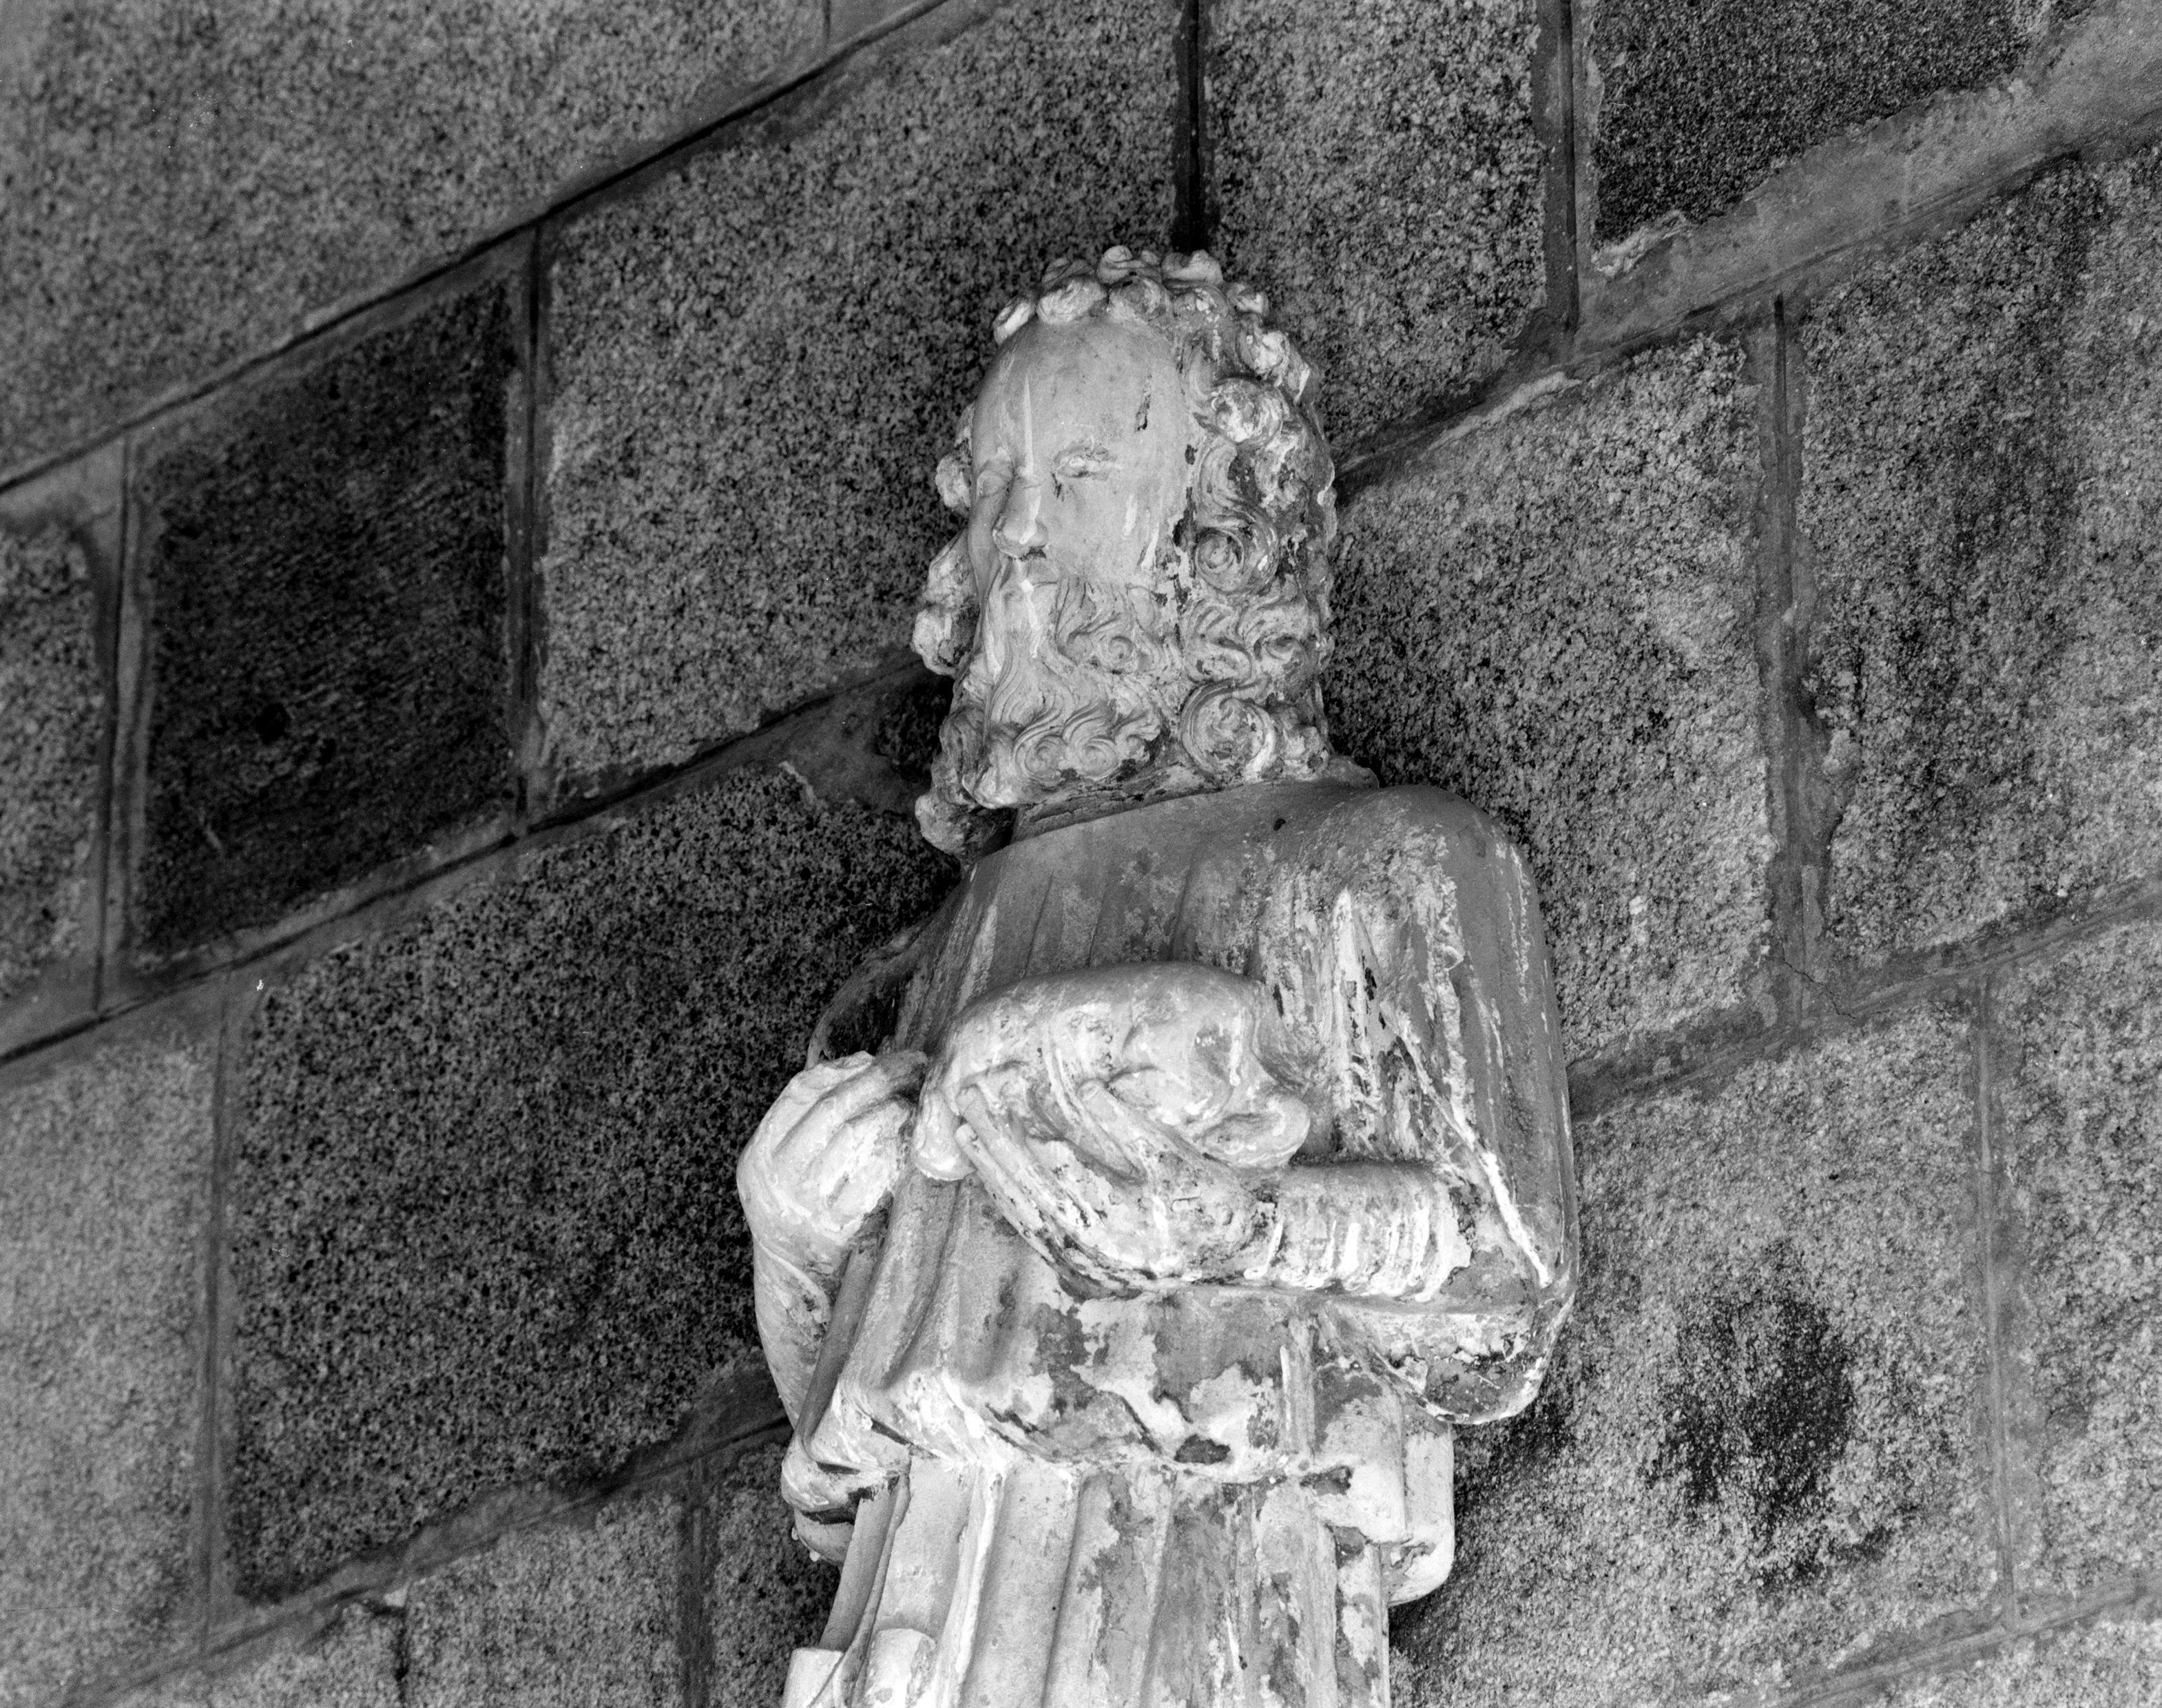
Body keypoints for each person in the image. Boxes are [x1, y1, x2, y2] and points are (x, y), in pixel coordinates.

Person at [738, 247, 1577, 1708]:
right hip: (918, 1621)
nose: (1018, 538)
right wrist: (796, 1244)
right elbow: (857, 1434)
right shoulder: (946, 950)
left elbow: (1502, 1272)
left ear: (1217, 530)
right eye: (997, 489)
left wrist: (1238, 1227)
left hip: (1207, 1592)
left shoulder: (1385, 866)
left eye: (1077, 478)